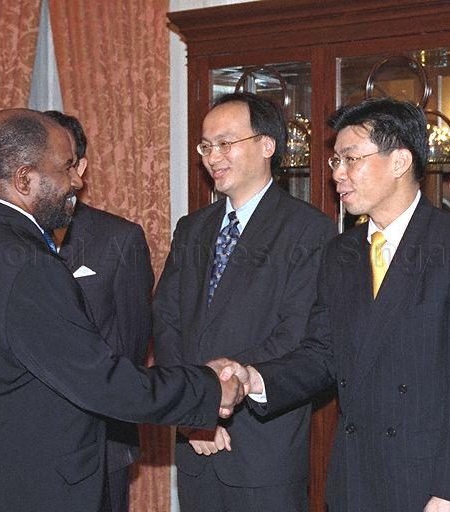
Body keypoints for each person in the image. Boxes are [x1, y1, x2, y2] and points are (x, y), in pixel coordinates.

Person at [0, 108, 245, 512]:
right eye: (66, 167)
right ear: (25, 179)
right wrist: (207, 385)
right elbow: (104, 380)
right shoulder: (28, 265)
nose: (78, 180)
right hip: (32, 490)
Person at [221, 97, 450, 511]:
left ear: (399, 161)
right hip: (355, 479)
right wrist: (255, 378)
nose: (338, 173)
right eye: (335, 161)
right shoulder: (342, 252)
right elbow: (322, 354)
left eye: (351, 159)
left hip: (429, 483)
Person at [153, 92, 334, 512]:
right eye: (205, 146)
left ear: (267, 145)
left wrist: (218, 396)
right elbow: (165, 321)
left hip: (261, 452)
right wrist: (192, 407)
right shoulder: (192, 228)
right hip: (196, 445)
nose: (213, 156)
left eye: (226, 143)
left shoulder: (308, 230)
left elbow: (295, 336)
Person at [43, 110, 153, 512]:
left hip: (101, 440)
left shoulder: (118, 239)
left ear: (79, 168)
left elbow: (133, 346)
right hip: (24, 443)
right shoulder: (6, 242)